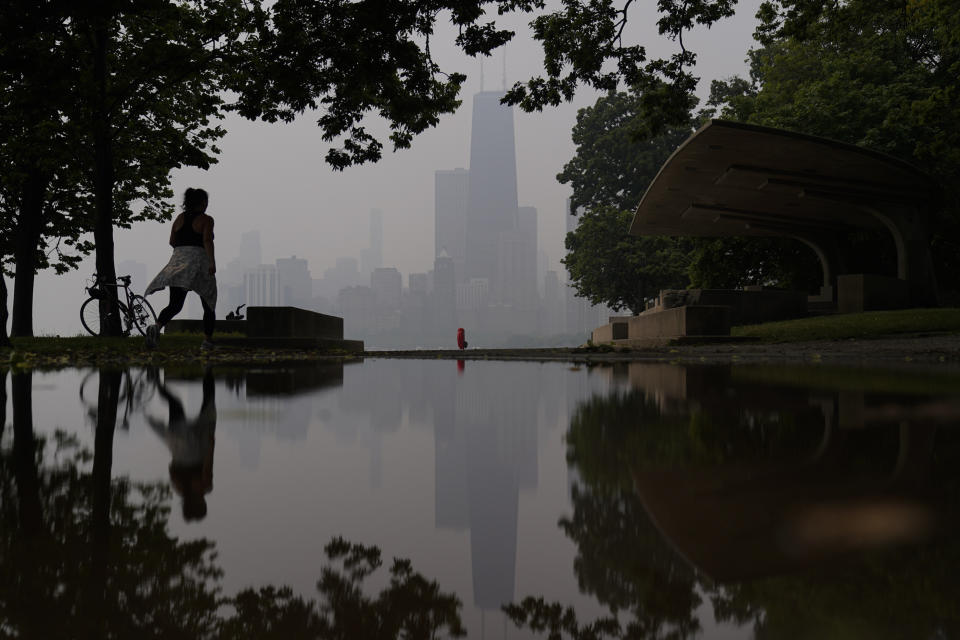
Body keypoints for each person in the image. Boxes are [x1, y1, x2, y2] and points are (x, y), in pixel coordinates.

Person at [144, 188, 217, 350]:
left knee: (175, 304)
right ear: (203, 203)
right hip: (199, 264)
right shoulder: (207, 220)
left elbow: (172, 241)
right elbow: (207, 241)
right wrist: (212, 262)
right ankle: (207, 341)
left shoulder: (179, 218)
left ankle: (156, 326)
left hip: (177, 264)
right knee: (208, 302)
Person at [147, 367, 217, 521]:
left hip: (190, 449)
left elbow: (208, 464)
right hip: (182, 450)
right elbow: (171, 467)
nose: (204, 500)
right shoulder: (180, 488)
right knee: (179, 405)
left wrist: (211, 445)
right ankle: (156, 381)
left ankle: (208, 369)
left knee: (204, 404)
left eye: (203, 504)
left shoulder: (203, 487)